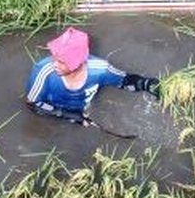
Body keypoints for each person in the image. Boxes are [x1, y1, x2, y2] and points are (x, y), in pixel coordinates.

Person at [25, 27, 160, 127]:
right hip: (55, 110)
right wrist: (63, 114)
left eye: (61, 61)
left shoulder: (100, 70)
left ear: (77, 62)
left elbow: (124, 81)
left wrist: (147, 84)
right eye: (54, 57)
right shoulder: (44, 71)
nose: (54, 64)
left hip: (87, 109)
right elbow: (32, 103)